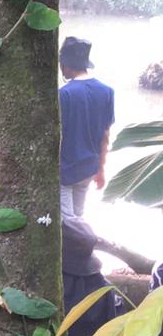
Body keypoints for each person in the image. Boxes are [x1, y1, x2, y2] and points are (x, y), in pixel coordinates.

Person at [58, 36, 114, 219]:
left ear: (65, 64)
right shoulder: (107, 91)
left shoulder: (64, 94)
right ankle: (82, 245)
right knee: (79, 216)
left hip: (67, 169)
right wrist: (101, 169)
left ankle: (76, 247)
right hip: (89, 167)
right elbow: (106, 135)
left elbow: (58, 135)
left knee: (66, 221)